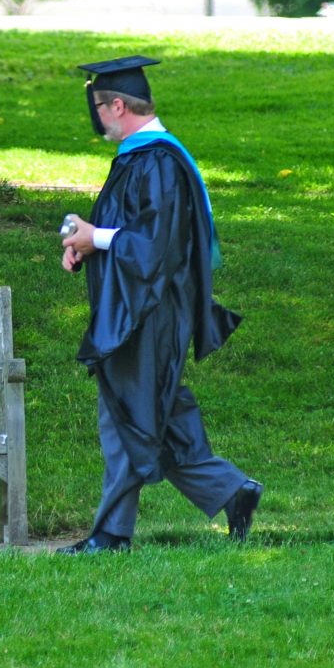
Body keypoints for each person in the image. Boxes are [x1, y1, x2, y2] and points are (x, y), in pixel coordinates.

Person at [58, 55, 262, 554]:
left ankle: (110, 535)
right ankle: (232, 491)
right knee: (156, 415)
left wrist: (96, 237)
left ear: (118, 105)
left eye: (99, 106)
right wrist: (86, 244)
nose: (97, 118)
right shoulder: (143, 158)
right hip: (141, 308)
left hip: (147, 313)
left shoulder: (157, 161)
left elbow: (154, 248)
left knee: (127, 415)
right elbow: (132, 235)